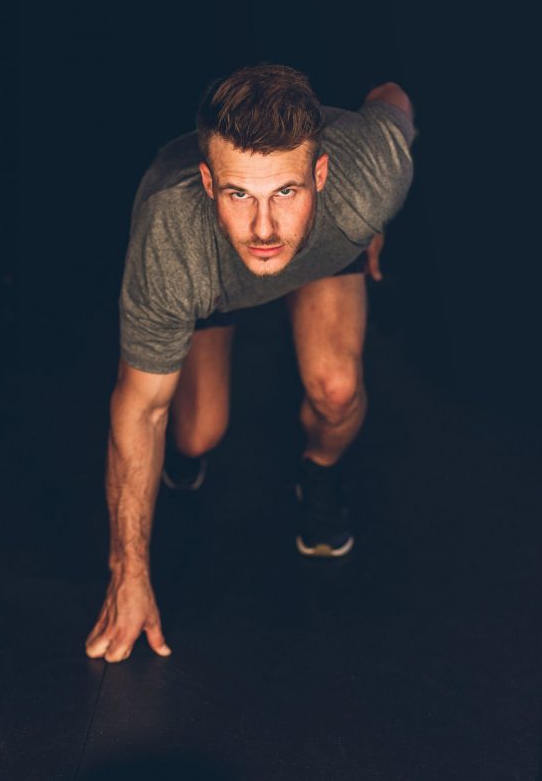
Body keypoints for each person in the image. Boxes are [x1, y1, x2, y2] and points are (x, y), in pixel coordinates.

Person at [85, 64, 415, 663]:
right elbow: (142, 408)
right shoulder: (172, 236)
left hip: (324, 248)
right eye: (239, 194)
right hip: (211, 281)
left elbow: (391, 95)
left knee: (337, 391)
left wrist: (378, 223)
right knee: (195, 433)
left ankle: (318, 474)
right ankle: (185, 456)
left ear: (320, 174)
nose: (264, 228)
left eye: (285, 191)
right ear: (209, 183)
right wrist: (127, 575)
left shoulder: (369, 177)